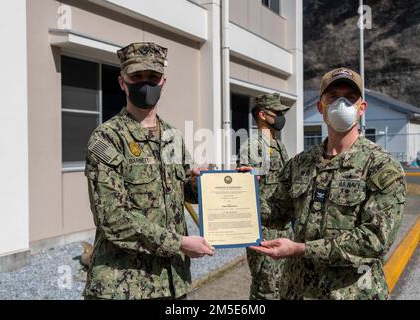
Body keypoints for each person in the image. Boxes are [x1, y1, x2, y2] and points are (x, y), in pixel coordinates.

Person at [250, 67, 407, 300]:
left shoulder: (382, 167)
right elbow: (272, 211)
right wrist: (231, 190)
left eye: (350, 98)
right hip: (297, 291)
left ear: (361, 108)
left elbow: (374, 240)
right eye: (333, 97)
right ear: (320, 107)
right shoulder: (300, 163)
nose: (341, 103)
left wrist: (301, 249)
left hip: (351, 293)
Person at [83, 42, 214, 300]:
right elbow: (112, 219)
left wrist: (202, 183)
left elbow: (183, 192)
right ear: (123, 82)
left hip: (172, 282)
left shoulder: (172, 137)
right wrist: (179, 243)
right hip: (124, 285)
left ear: (163, 81)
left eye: (152, 77)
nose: (145, 84)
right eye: (137, 77)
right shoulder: (107, 138)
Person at [237, 93, 291, 300]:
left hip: (282, 226)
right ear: (262, 114)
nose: (280, 117)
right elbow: (246, 191)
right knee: (266, 287)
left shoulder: (276, 144)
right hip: (264, 228)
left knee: (283, 284)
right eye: (276, 113)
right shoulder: (253, 147)